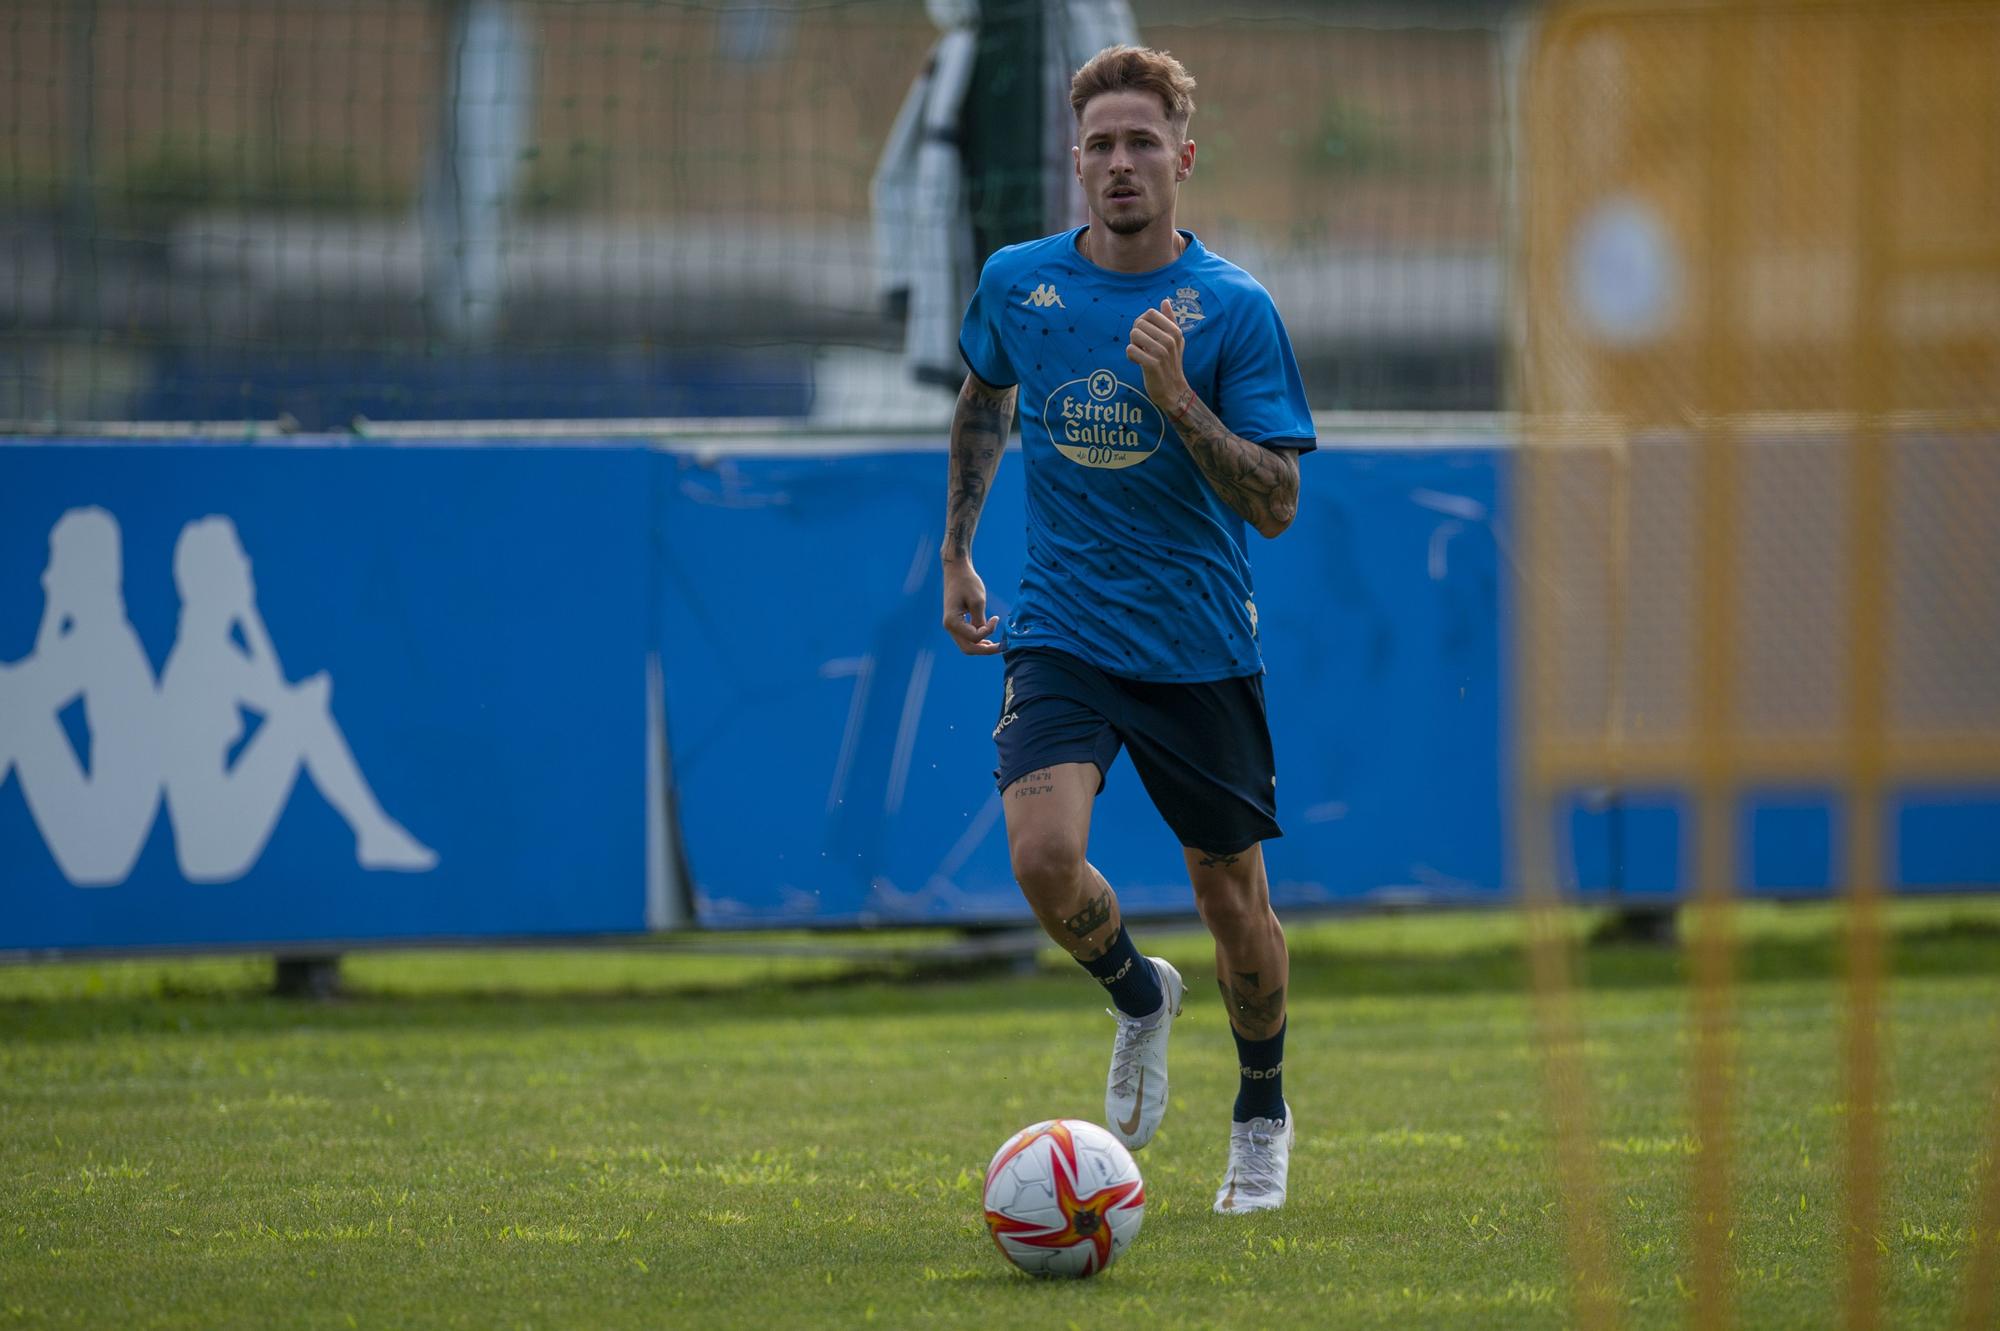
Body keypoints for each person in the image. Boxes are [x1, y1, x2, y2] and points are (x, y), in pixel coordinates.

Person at [939, 44, 1315, 1214]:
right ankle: (1136, 992)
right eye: (1097, 144)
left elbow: (1276, 502)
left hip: (1197, 644)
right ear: (1075, 163)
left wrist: (1178, 400)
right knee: (1042, 855)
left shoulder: (1232, 310)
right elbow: (982, 397)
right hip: (1060, 626)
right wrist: (955, 549)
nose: (1117, 163)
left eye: (1140, 142)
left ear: (1182, 159)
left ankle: (1260, 1106)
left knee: (1233, 906)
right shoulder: (1017, 282)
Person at [158, 516, 436, 883]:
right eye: (235, 560)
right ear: (213, 578)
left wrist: (247, 613)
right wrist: (247, 611)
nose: (246, 565)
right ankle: (373, 832)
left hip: (215, 838)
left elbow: (273, 693)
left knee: (303, 709)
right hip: (211, 845)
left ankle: (375, 832)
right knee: (304, 711)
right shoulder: (202, 654)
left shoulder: (211, 648)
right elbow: (279, 701)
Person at [0, 507, 164, 886]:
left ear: (80, 573)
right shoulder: (106, 636)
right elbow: (38, 672)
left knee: (15, 700)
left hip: (100, 845)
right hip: (102, 839)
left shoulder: (102, 641)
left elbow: (27, 688)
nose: (46, 578)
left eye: (56, 566)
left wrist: (54, 611)